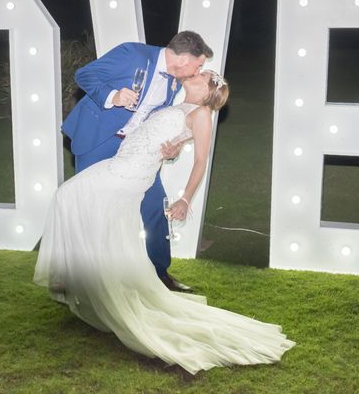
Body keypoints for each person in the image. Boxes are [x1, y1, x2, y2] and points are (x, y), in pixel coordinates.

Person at [35, 70, 295, 374]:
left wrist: (185, 198)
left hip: (127, 175)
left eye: (205, 75)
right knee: (93, 218)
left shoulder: (202, 115)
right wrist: (173, 149)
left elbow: (201, 160)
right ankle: (86, 281)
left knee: (69, 197)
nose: (198, 73)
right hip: (122, 166)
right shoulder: (182, 105)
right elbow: (168, 138)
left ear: (209, 91)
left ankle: (72, 278)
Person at [61, 31, 212, 292]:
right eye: (199, 64)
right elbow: (84, 75)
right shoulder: (133, 53)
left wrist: (172, 147)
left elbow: (159, 121)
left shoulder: (176, 82)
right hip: (97, 139)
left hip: (136, 153)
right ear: (185, 59)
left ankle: (159, 273)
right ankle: (77, 277)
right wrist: (113, 96)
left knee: (155, 206)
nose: (198, 70)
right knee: (88, 206)